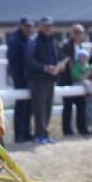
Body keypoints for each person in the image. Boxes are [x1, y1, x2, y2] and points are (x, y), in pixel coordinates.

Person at [26, 16, 61, 144]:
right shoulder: (34, 41)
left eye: (50, 26)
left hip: (50, 79)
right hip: (38, 80)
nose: (48, 28)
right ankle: (39, 135)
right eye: (45, 26)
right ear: (40, 26)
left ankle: (44, 133)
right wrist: (45, 67)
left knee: (48, 107)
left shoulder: (52, 41)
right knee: (39, 109)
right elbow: (30, 61)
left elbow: (55, 57)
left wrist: (57, 67)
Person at [6, 16, 34, 143]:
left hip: (28, 77)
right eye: (27, 26)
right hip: (20, 77)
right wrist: (18, 77)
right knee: (21, 106)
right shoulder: (15, 40)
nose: (29, 29)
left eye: (30, 26)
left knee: (28, 106)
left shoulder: (26, 39)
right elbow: (13, 62)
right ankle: (19, 133)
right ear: (21, 26)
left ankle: (26, 132)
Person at [59, 24, 87, 136]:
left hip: (79, 80)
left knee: (81, 104)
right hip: (67, 80)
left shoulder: (81, 46)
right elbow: (61, 57)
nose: (78, 34)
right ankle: (67, 130)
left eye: (80, 32)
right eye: (75, 32)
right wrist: (69, 61)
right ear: (71, 33)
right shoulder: (65, 45)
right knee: (68, 106)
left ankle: (82, 128)